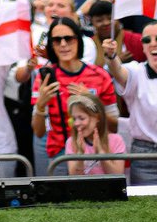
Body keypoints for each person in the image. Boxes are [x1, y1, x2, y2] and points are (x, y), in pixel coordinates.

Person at [31, 16, 118, 171]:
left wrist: (91, 103)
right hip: (61, 156)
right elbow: (38, 132)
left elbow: (114, 125)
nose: (63, 44)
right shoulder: (44, 77)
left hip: (96, 151)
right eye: (57, 40)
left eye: (68, 38)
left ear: (78, 40)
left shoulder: (99, 75)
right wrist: (40, 105)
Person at [102, 27, 157, 186]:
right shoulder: (136, 71)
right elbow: (119, 71)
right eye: (147, 40)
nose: (153, 43)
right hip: (145, 155)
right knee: (145, 208)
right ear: (143, 46)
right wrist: (111, 56)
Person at [64, 91, 126, 176]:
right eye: (74, 119)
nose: (76, 123)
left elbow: (118, 175)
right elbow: (74, 176)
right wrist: (80, 155)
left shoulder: (116, 140)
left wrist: (100, 153)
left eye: (81, 118)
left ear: (97, 118)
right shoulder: (71, 142)